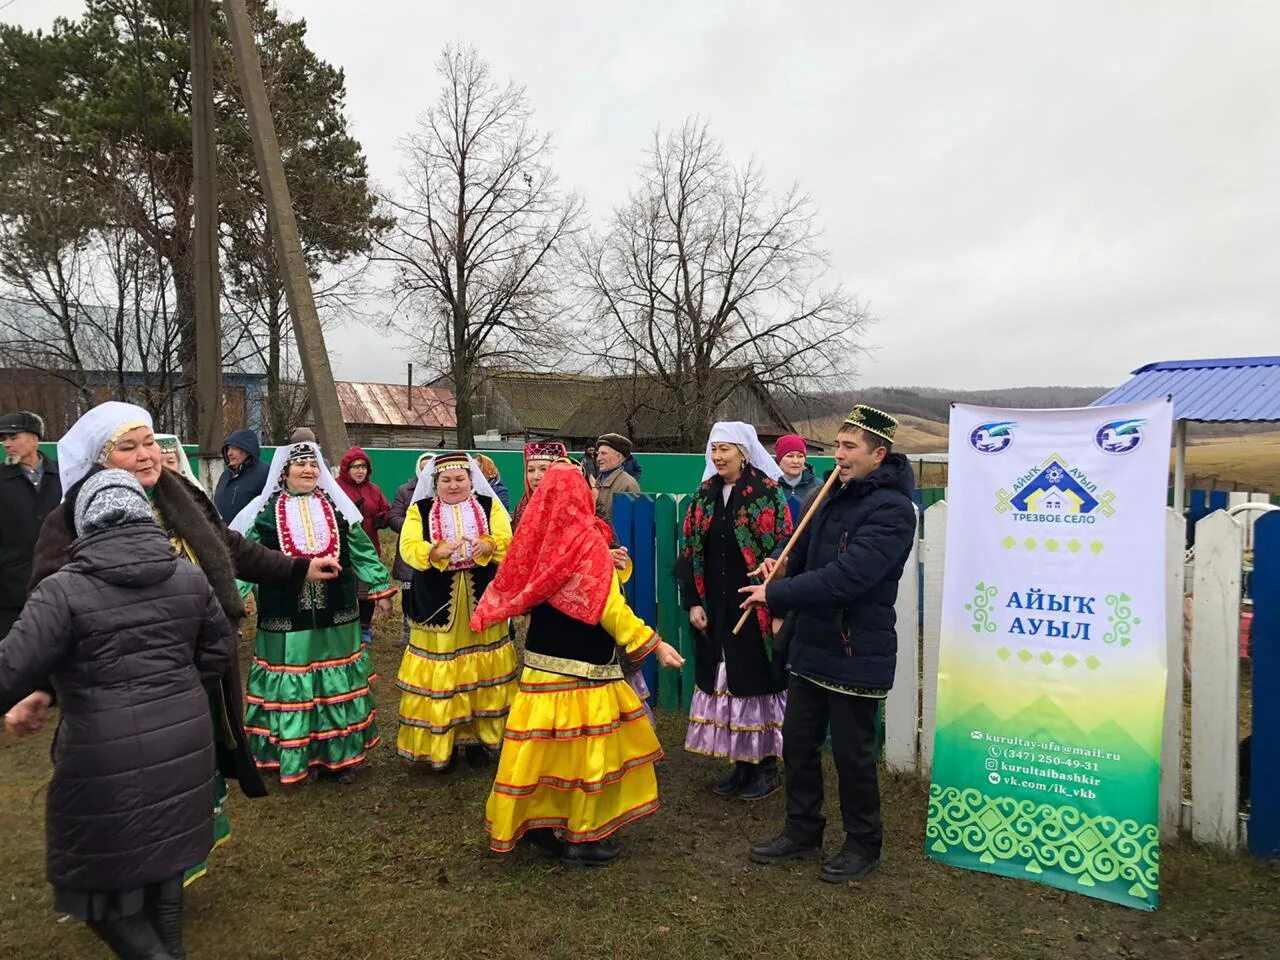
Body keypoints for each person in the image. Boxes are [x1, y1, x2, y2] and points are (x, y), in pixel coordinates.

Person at [10, 401, 342, 885]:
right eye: (129, 447)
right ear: (100, 458)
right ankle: (139, 881)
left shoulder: (178, 493)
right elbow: (49, 605)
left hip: (196, 667)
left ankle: (176, 869)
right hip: (121, 678)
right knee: (137, 780)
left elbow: (228, 547)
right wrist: (40, 684)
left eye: (149, 443)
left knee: (186, 767)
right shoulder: (70, 518)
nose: (146, 456)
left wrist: (297, 568)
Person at [0, 469, 235, 960]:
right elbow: (219, 649)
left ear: (85, 524)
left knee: (99, 894)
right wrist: (179, 691)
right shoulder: (188, 577)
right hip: (185, 742)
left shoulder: (63, 590)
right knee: (166, 867)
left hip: (104, 756)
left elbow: (11, 669)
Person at [471, 462, 685, 866]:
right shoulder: (585, 542)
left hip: (541, 664)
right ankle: (581, 838)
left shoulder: (539, 537)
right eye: (586, 484)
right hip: (584, 667)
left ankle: (535, 824)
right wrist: (652, 644)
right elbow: (607, 607)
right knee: (586, 753)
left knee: (541, 751)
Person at [742, 405, 916, 883]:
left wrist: (776, 594)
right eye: (837, 445)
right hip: (811, 643)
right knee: (797, 744)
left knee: (853, 756)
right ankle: (802, 830)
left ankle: (864, 845)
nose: (837, 455)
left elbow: (849, 578)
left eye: (849, 448)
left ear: (878, 454)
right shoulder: (826, 494)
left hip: (856, 648)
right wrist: (776, 564)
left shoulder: (894, 510)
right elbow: (800, 550)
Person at [231, 441, 395, 785]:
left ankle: (339, 756)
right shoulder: (263, 512)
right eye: (301, 465)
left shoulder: (338, 509)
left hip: (337, 611)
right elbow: (245, 559)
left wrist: (380, 588)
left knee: (335, 683)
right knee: (293, 685)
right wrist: (234, 600)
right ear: (284, 472)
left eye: (313, 465)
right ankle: (294, 754)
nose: (308, 470)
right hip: (285, 613)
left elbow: (362, 551)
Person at [679, 422, 792, 801]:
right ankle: (741, 765)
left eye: (724, 449)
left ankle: (767, 768)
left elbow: (785, 543)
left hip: (754, 604)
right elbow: (689, 553)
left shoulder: (766, 494)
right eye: (713, 450)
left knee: (756, 679)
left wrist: (774, 588)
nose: (717, 456)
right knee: (727, 680)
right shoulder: (703, 497)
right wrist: (693, 601)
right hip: (716, 605)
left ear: (743, 451)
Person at [396, 453, 516, 770]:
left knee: (481, 670)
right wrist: (434, 550)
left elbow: (508, 539)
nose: (453, 485)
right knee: (443, 674)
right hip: (436, 604)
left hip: (483, 600)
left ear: (471, 480)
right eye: (446, 480)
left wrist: (489, 546)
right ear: (435, 483)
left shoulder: (490, 508)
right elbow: (407, 547)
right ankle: (442, 743)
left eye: (460, 479)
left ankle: (478, 739)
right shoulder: (419, 511)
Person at [0, 411, 61, 639]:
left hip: (60, 586)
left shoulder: (64, 476)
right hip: (10, 596)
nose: (7, 444)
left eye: (13, 437)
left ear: (35, 438)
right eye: (3, 438)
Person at [336, 446, 393, 646]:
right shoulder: (336, 487)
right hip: (343, 549)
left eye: (363, 467)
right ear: (346, 469)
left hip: (369, 546)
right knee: (344, 590)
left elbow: (386, 510)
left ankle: (365, 627)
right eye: (355, 467)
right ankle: (345, 628)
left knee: (366, 591)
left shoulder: (374, 489)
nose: (360, 471)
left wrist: (382, 519)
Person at [388, 453, 434, 648]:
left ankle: (431, 630)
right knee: (408, 594)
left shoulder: (443, 489)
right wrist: (413, 527)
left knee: (431, 593)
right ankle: (408, 632)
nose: (426, 471)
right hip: (409, 553)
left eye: (430, 467)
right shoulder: (405, 491)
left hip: (435, 552)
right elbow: (393, 517)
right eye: (423, 467)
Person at [212, 428, 270, 524]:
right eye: (228, 448)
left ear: (248, 449)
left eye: (234, 448)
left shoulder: (265, 473)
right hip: (223, 535)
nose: (229, 453)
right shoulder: (226, 475)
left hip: (251, 536)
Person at [511, 440, 568, 529]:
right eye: (531, 470)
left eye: (543, 469)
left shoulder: (570, 508)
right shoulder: (522, 506)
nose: (535, 476)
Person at [594, 433, 640, 522]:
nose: (598, 458)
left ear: (618, 457)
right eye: (598, 453)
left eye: (603, 453)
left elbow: (632, 523)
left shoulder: (628, 485)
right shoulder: (596, 481)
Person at [774, 433, 820, 517]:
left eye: (800, 456)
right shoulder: (769, 486)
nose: (795, 461)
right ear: (779, 459)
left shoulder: (818, 487)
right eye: (790, 456)